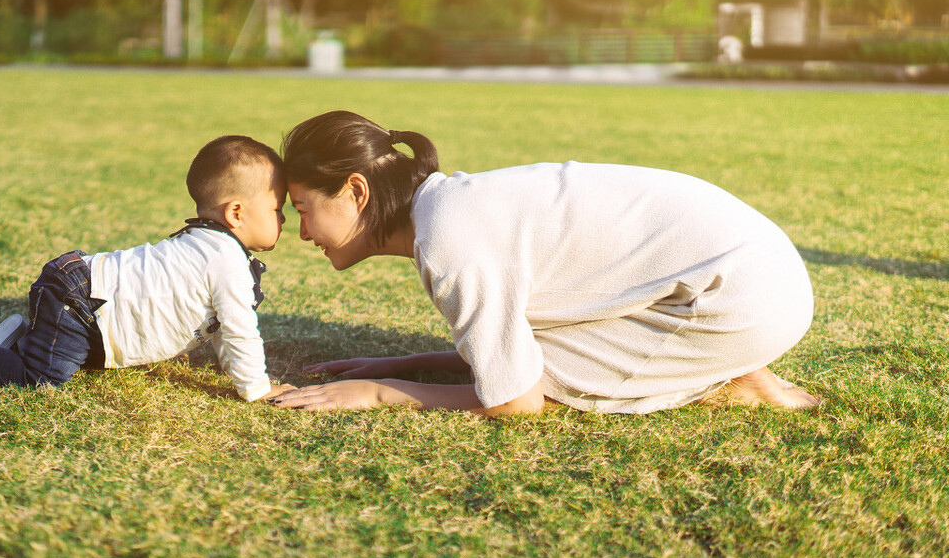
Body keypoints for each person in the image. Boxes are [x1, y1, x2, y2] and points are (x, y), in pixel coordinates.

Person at [271, 110, 821, 417]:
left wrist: (378, 392)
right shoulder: (450, 207)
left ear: (356, 191)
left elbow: (515, 401)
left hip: (742, 298)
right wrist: (413, 361)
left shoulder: (447, 238)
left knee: (553, 381)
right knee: (530, 359)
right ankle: (716, 363)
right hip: (758, 276)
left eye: (303, 210)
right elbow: (509, 350)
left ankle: (727, 378)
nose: (301, 233)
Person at [0, 135, 295, 402]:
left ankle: (14, 342)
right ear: (236, 212)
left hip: (83, 296)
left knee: (75, 361)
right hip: (81, 300)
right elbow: (240, 329)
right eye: (277, 209)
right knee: (43, 378)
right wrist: (256, 388)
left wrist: (232, 373)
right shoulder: (224, 259)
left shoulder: (210, 246)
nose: (283, 219)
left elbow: (222, 329)